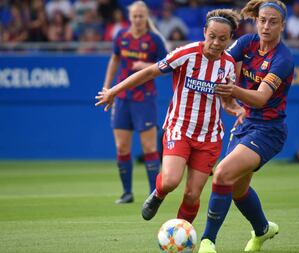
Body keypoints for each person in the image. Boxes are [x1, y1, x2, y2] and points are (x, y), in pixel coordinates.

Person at [96, 9, 244, 223]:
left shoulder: (229, 65)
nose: (215, 43)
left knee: (192, 195)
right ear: (204, 32)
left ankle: (179, 235)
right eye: (212, 36)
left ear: (230, 39)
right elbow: (148, 72)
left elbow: (227, 101)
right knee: (170, 181)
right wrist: (113, 91)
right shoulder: (186, 54)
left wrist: (237, 109)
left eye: (222, 39)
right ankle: (158, 194)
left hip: (209, 137)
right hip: (179, 128)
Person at [198, 1, 294, 252]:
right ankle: (263, 230)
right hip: (245, 124)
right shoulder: (247, 43)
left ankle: (207, 241)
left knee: (222, 173)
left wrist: (232, 91)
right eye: (262, 20)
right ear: (255, 20)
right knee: (238, 189)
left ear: (282, 25)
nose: (266, 26)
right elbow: (221, 60)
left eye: (273, 21)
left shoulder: (282, 59)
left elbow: (261, 98)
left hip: (269, 130)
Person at [101, 1, 167, 204]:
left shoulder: (154, 40)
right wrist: (107, 88)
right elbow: (114, 59)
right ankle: (127, 192)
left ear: (146, 17)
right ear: (129, 17)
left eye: (141, 16)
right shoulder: (121, 36)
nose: (138, 19)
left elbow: (167, 65)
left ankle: (153, 194)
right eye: (135, 16)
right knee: (121, 147)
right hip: (122, 98)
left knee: (149, 147)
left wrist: (145, 65)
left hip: (144, 99)